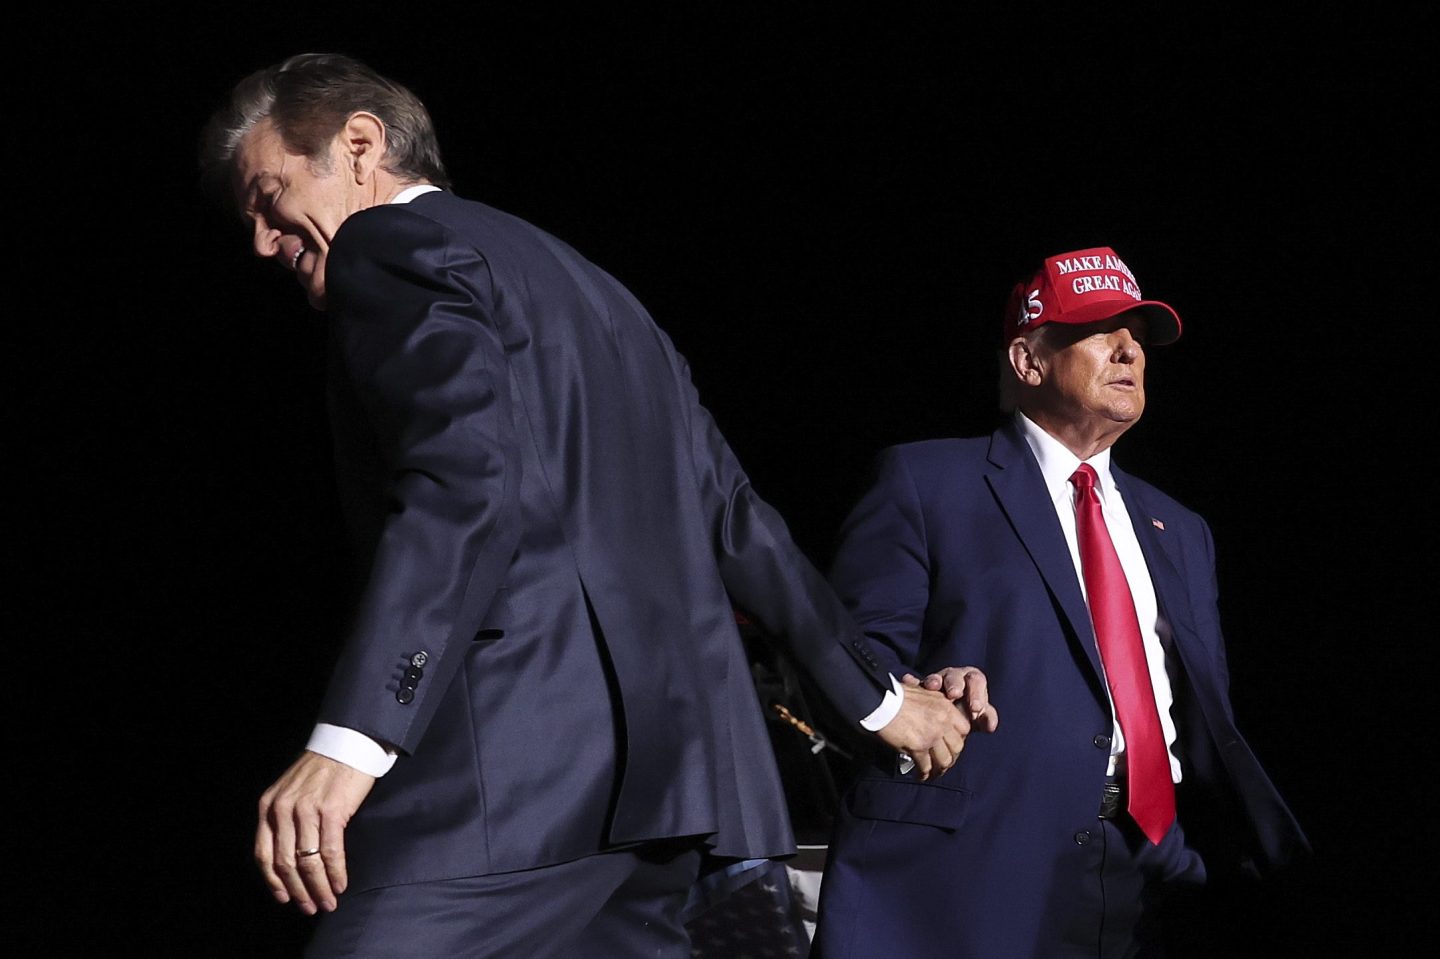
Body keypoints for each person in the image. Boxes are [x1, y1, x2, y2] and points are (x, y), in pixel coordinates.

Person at [198, 53, 995, 959]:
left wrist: (352, 739)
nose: (260, 241)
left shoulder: (386, 245)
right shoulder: (604, 296)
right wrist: (879, 700)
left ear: (358, 144)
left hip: (513, 779)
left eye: (268, 196)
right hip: (670, 793)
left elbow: (466, 488)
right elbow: (736, 519)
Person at [808, 247, 1311, 957]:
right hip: (977, 864)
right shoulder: (925, 481)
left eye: (1139, 337)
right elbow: (852, 659)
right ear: (1028, 360)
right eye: (1102, 331)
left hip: (1152, 870)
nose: (1129, 350)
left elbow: (1200, 710)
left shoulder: (1181, 530)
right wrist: (922, 687)